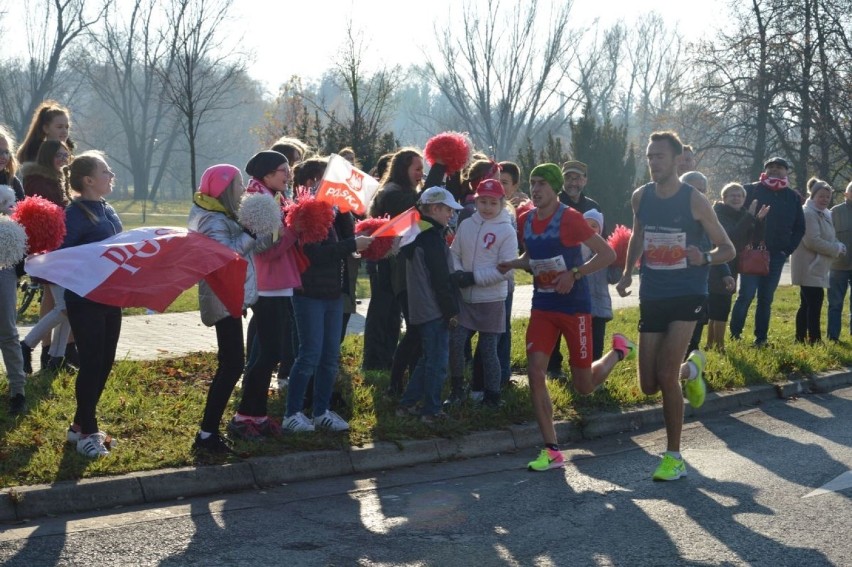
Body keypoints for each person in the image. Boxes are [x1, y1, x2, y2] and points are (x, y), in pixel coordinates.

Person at [499, 163, 635, 472]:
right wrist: (513, 263)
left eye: (542, 184)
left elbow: (607, 255)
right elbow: (532, 257)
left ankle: (618, 351)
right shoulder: (526, 219)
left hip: (574, 307)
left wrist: (574, 274)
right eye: (533, 183)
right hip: (543, 306)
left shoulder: (571, 219)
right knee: (535, 372)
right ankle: (552, 450)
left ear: (554, 187)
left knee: (583, 386)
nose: (535, 189)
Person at [616, 131, 735, 481]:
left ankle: (673, 457)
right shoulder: (641, 196)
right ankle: (693, 369)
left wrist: (705, 258)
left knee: (666, 376)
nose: (653, 162)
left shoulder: (694, 200)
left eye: (660, 157)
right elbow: (638, 236)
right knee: (648, 385)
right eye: (650, 156)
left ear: (677, 159)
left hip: (688, 294)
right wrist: (626, 274)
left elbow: (727, 248)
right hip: (653, 293)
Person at [283, 179, 372, 432]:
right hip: (310, 293)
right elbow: (317, 254)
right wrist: (353, 244)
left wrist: (350, 230)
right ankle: (292, 413)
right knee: (310, 353)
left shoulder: (335, 213)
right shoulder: (311, 212)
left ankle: (321, 411)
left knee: (330, 356)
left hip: (332, 294)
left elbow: (341, 244)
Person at [188, 164, 260, 454]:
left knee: (231, 363)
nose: (242, 190)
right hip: (221, 294)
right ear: (223, 187)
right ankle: (206, 434)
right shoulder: (211, 217)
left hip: (230, 294)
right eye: (238, 184)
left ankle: (209, 432)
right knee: (231, 364)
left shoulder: (221, 214)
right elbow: (226, 255)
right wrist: (252, 231)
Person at [228, 151, 299, 441]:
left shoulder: (270, 196)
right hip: (267, 285)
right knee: (268, 352)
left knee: (268, 352)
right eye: (283, 170)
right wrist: (296, 229)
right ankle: (245, 417)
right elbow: (265, 251)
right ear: (268, 174)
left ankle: (257, 415)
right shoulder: (259, 201)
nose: (288, 175)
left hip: (277, 284)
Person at [62, 151, 124, 458]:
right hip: (86, 299)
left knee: (104, 362)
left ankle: (77, 426)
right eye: (106, 171)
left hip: (112, 296)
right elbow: (63, 254)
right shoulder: (74, 213)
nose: (111, 175)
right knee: (91, 363)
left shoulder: (106, 207)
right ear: (88, 180)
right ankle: (88, 431)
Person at [395, 187, 464, 423]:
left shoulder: (416, 233)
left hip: (421, 307)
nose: (451, 215)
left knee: (427, 360)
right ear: (434, 209)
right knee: (437, 362)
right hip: (434, 308)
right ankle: (432, 411)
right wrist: (451, 311)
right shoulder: (431, 238)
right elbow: (440, 279)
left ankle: (407, 404)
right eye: (447, 210)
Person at [446, 179, 516, 408]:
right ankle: (457, 389)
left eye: (492, 203)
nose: (487, 207)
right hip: (466, 298)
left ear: (501, 203)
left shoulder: (506, 230)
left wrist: (474, 277)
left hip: (491, 300)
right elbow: (454, 252)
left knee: (488, 350)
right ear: (476, 201)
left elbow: (505, 270)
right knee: (456, 343)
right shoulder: (467, 224)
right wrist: (457, 272)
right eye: (482, 201)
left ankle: (493, 395)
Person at [729, 157, 805, 347]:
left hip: (776, 257)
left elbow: (799, 228)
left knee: (766, 298)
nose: (775, 170)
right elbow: (736, 216)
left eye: (779, 167)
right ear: (764, 170)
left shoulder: (793, 197)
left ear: (786, 172)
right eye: (770, 167)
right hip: (751, 253)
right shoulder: (750, 189)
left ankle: (761, 338)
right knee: (746, 295)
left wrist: (786, 250)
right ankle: (734, 336)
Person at [365, 148, 423, 379]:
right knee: (383, 313)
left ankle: (387, 362)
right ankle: (375, 364)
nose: (421, 174)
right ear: (403, 169)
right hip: (385, 262)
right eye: (417, 169)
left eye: (423, 169)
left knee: (392, 315)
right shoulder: (391, 193)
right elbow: (417, 203)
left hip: (396, 261)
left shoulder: (400, 190)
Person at [19, 140, 75, 372]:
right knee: (65, 305)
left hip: (63, 250)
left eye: (66, 155)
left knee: (69, 305)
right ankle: (27, 344)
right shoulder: (38, 181)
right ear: (48, 156)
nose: (64, 159)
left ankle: (56, 358)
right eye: (59, 155)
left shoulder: (60, 179)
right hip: (50, 251)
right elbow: (39, 218)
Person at [549, 159, 603, 378]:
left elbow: (602, 238)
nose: (573, 182)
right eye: (569, 177)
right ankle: (553, 367)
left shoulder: (593, 207)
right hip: (557, 267)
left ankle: (586, 365)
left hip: (585, 269)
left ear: (585, 180)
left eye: (577, 178)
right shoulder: (554, 202)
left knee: (583, 318)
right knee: (555, 317)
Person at [707, 183, 767, 351]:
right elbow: (731, 236)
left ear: (744, 199)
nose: (736, 198)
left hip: (733, 265)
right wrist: (749, 216)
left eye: (739, 196)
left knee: (722, 303)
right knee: (720, 304)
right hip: (718, 263)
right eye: (732, 195)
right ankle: (718, 345)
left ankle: (712, 344)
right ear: (723, 198)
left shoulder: (742, 215)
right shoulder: (718, 214)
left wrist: (760, 221)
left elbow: (754, 240)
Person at [791, 178, 845, 344]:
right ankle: (814, 339)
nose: (825, 199)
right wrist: (836, 249)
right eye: (821, 196)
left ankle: (800, 338)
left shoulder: (824, 213)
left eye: (827, 197)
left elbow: (829, 235)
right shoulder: (808, 213)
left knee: (806, 304)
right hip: (808, 266)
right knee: (815, 302)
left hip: (816, 266)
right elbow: (812, 241)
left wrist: (838, 244)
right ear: (813, 196)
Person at [0, 125, 27, 415]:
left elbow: (25, 222)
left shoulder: (14, 182)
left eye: (6, 151)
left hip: (4, 265)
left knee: (7, 328)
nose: (3, 156)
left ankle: (18, 391)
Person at [581, 209, 621, 360]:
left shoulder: (606, 252)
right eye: (585, 225)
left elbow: (612, 278)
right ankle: (581, 372)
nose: (590, 230)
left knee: (597, 343)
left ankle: (596, 374)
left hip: (601, 307)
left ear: (601, 229)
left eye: (594, 226)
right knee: (582, 343)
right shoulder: (577, 251)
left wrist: (619, 264)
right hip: (582, 307)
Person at [827, 181, 852, 342]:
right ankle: (833, 337)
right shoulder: (835, 212)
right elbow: (828, 234)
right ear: (846, 194)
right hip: (838, 265)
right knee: (835, 304)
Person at [16, 100, 74, 164]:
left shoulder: (70, 158)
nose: (64, 131)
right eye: (59, 127)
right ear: (46, 128)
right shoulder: (36, 157)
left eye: (67, 127)